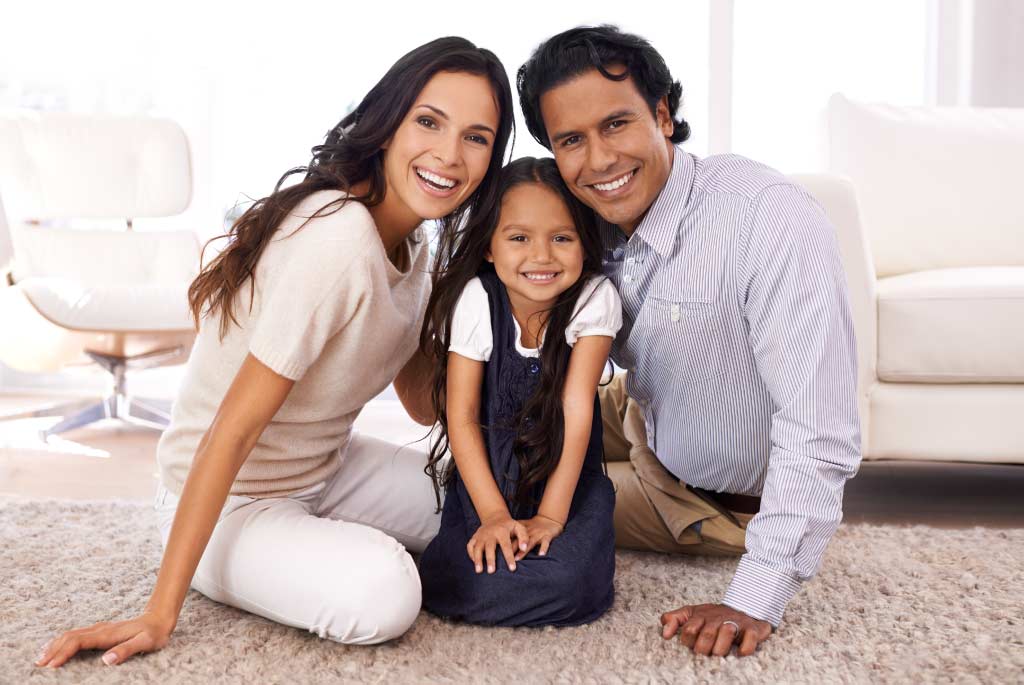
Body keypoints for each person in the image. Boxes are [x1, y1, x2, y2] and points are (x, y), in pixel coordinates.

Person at [35, 36, 514, 669]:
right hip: (229, 494)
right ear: (389, 123)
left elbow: (423, 405)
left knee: (490, 501)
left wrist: (480, 301)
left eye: (476, 137)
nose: (449, 155)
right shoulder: (336, 239)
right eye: (429, 122)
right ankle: (263, 560)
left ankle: (317, 548)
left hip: (324, 470)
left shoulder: (419, 248)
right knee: (385, 594)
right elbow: (229, 432)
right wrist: (159, 612)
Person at [517, 26, 861, 656]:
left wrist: (752, 599)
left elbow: (820, 425)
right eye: (572, 140)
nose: (598, 161)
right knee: (498, 430)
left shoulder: (766, 215)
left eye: (616, 125)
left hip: (701, 495)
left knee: (521, 497)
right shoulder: (589, 219)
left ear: (663, 116)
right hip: (652, 409)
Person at [417, 156, 621, 627]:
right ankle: (466, 574)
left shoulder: (593, 299)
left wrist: (551, 516)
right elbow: (462, 415)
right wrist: (492, 515)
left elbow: (575, 408)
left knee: (571, 584)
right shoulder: (476, 300)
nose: (542, 256)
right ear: (490, 246)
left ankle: (539, 575)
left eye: (562, 238)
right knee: (468, 577)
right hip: (489, 484)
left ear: (584, 244)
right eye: (519, 238)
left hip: (566, 484)